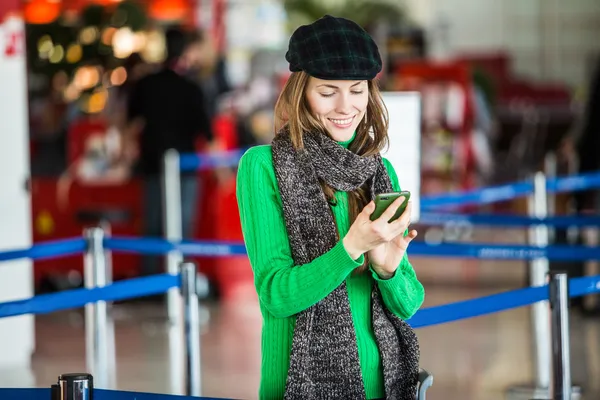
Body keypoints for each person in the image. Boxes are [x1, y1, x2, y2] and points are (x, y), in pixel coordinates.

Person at [236, 15, 425, 400]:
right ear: (300, 92)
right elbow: (276, 295)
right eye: (327, 92)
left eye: (357, 91)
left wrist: (387, 270)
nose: (346, 106)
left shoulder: (379, 170)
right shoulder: (263, 167)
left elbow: (409, 305)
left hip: (386, 385)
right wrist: (350, 249)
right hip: (297, 386)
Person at [126, 27, 216, 276]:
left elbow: (131, 124)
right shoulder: (192, 88)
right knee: (182, 228)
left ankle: (149, 283)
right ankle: (181, 280)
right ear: (186, 50)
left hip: (152, 164)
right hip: (185, 169)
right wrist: (224, 171)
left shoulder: (146, 84)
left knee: (152, 227)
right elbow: (207, 135)